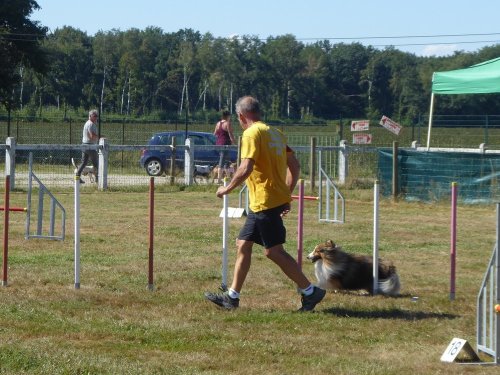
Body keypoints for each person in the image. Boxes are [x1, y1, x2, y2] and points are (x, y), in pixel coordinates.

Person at [204, 96, 325, 312]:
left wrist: (227, 188)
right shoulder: (276, 133)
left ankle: (310, 291)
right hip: (270, 199)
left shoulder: (251, 133)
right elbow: (295, 166)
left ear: (241, 116)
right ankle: (232, 297)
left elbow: (246, 167)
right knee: (243, 244)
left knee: (274, 252)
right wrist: (286, 194)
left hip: (264, 201)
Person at [76, 109, 99, 184]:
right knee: (96, 163)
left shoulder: (88, 123)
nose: (96, 117)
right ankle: (97, 179)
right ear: (90, 116)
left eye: (97, 116)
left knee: (84, 162)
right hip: (90, 146)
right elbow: (91, 136)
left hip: (84, 145)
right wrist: (100, 137)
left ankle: (77, 177)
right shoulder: (91, 124)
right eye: (95, 116)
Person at [213, 110, 235, 183]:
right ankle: (219, 180)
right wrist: (234, 142)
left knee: (226, 162)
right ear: (227, 116)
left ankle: (229, 178)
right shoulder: (227, 123)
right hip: (225, 144)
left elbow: (215, 133)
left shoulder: (218, 123)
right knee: (222, 162)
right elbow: (230, 134)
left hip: (218, 144)